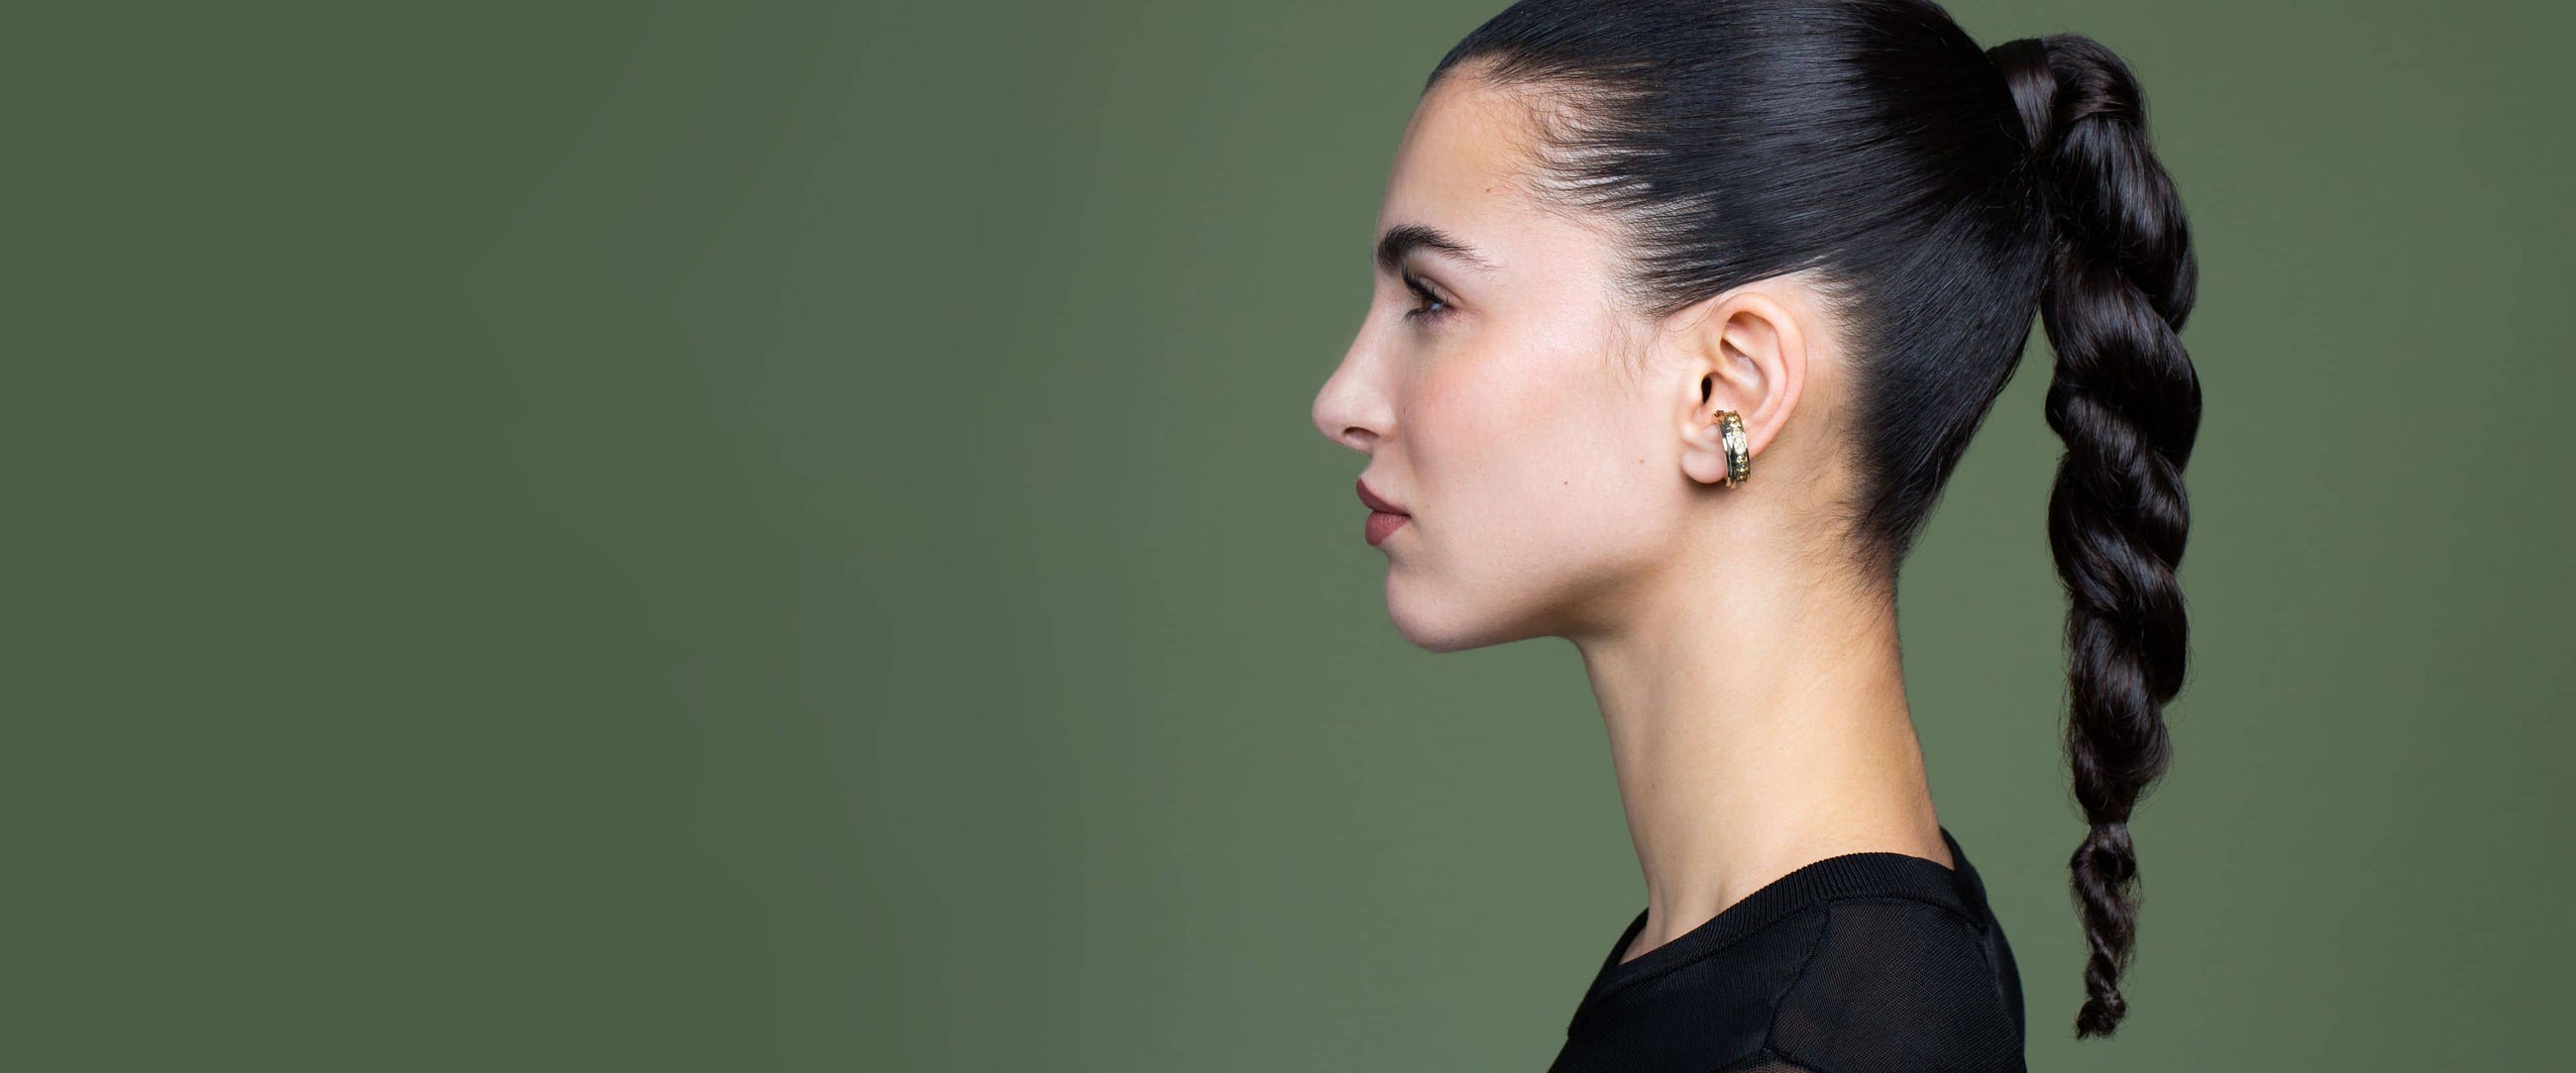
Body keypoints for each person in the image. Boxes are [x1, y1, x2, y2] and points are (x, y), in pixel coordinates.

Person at [1309, 1, 2201, 1069]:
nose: (1341, 400)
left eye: (1429, 297)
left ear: (1725, 387)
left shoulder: (1804, 1038)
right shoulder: (1808, 966)